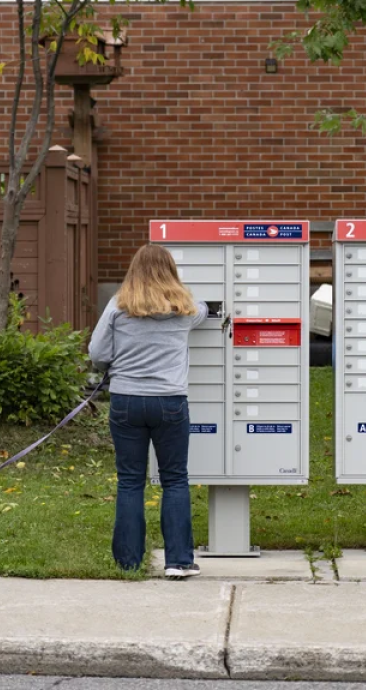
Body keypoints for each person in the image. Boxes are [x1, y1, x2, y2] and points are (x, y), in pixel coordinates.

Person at [89, 244, 208, 578]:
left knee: (130, 481)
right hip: (170, 401)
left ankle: (128, 562)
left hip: (127, 401)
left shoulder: (118, 305)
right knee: (174, 479)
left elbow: (97, 351)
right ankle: (179, 561)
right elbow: (205, 309)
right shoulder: (185, 309)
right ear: (171, 271)